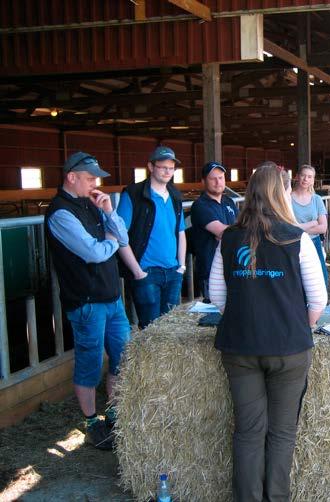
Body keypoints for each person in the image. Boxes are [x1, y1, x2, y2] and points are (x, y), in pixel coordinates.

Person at [209, 161, 327, 501]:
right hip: (288, 348)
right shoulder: (296, 237)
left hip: (240, 348)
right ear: (282, 193)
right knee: (281, 432)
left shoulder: (230, 238)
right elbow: (318, 299)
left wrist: (244, 315)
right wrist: (297, 324)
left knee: (248, 431)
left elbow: (217, 294)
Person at [45, 151, 131, 450]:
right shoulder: (61, 213)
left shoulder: (93, 204)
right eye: (90, 178)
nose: (96, 183)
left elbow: (123, 237)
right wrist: (108, 241)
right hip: (86, 301)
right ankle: (92, 421)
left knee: (123, 356)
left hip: (111, 297)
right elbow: (94, 252)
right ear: (71, 177)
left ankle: (115, 412)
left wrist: (109, 211)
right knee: (90, 364)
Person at [117, 146, 186, 329]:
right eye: (162, 167)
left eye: (171, 168)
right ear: (151, 167)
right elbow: (119, 235)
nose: (167, 171)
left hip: (173, 271)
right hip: (147, 272)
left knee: (170, 329)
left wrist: (182, 265)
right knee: (150, 331)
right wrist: (137, 271)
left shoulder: (175, 196)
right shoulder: (132, 194)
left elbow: (180, 231)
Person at [189, 161, 238, 301]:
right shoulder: (200, 206)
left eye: (221, 178)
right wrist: (230, 232)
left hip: (232, 266)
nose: (218, 182)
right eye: (213, 178)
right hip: (211, 270)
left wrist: (232, 232)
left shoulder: (229, 201)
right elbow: (223, 232)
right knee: (214, 311)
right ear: (203, 181)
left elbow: (240, 227)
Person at [291, 164, 329, 286]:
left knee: (321, 276)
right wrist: (312, 223)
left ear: (313, 180)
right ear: (297, 177)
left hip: (314, 242)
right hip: (294, 243)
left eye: (309, 177)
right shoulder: (287, 199)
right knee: (297, 277)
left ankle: (320, 303)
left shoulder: (316, 199)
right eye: (303, 175)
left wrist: (299, 228)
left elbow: (323, 227)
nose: (306, 179)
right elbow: (288, 227)